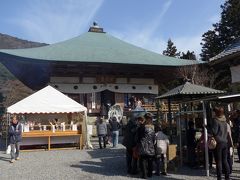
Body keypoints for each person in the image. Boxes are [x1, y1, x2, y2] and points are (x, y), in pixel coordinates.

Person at [211, 106, 230, 180]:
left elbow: (214, 132)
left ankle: (219, 178)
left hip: (219, 143)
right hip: (225, 142)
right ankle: (227, 177)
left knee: (218, 161)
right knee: (225, 161)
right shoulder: (224, 121)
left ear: (216, 113)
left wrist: (207, 127)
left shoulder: (216, 121)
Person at [136, 113, 155, 179]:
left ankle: (144, 175)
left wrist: (138, 144)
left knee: (143, 160)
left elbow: (138, 137)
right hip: (151, 145)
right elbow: (153, 138)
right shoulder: (152, 127)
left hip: (143, 145)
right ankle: (150, 173)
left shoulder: (141, 127)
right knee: (150, 160)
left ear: (145, 118)